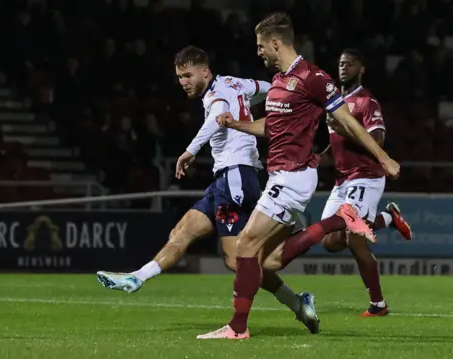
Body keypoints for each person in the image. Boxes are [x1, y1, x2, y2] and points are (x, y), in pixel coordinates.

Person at [197, 13, 400, 340]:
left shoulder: (313, 77)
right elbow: (269, 126)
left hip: (292, 176)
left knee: (244, 246)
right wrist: (234, 124)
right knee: (268, 262)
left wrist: (383, 157)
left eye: (261, 46)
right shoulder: (278, 83)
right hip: (281, 175)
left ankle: (237, 328)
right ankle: (336, 221)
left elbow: (347, 122)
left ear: (276, 43)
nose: (259, 52)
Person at [96, 46, 320, 334]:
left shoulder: (215, 94)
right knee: (182, 232)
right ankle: (137, 278)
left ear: (205, 71)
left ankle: (294, 292)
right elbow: (268, 89)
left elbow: (217, 116)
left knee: (239, 260)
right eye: (179, 77)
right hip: (224, 180)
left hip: (236, 176)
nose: (183, 82)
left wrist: (189, 151)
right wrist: (265, 104)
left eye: (188, 75)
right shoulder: (236, 83)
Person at [317, 48, 413, 317]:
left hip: (366, 176)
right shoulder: (335, 103)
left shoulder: (366, 102)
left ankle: (378, 304)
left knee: (354, 237)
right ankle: (388, 219)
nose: (343, 67)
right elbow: (334, 141)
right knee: (329, 240)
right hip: (341, 180)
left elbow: (378, 140)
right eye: (341, 63)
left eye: (350, 64)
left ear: (362, 69)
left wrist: (343, 130)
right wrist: (319, 157)